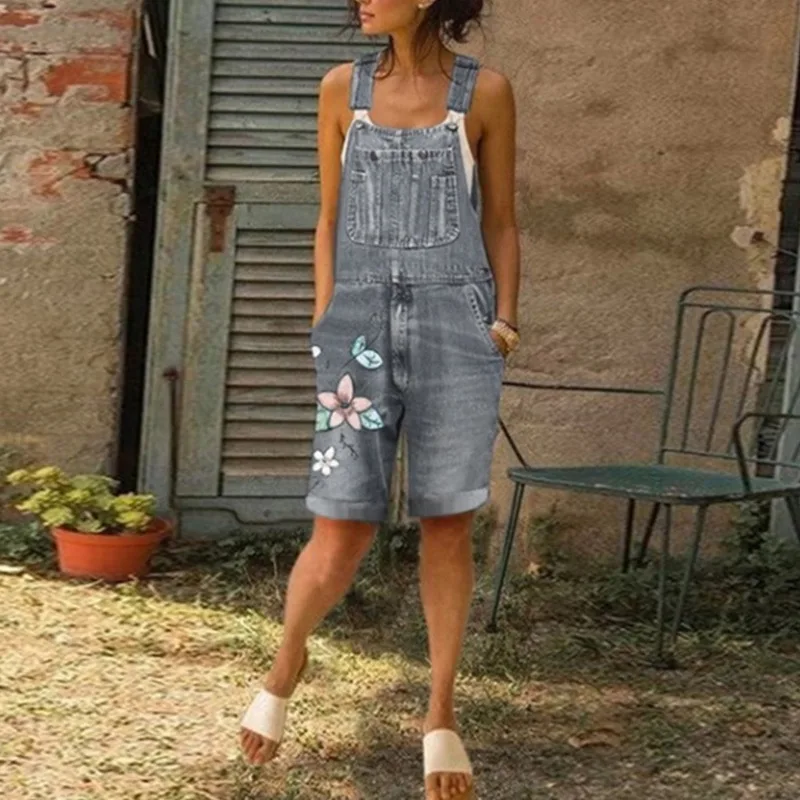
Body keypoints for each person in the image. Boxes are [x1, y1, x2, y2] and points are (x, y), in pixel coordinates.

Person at [240, 1, 520, 797]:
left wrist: (503, 320)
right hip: (356, 327)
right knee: (342, 523)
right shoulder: (342, 89)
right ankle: (286, 661)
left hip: (456, 327)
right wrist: (326, 318)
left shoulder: (486, 93)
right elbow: (328, 220)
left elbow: (502, 221)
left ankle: (440, 713)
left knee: (447, 521)